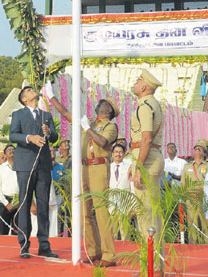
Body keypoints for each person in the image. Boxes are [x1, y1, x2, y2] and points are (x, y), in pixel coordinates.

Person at [47, 93, 120, 265]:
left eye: (102, 103)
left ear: (108, 110)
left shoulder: (110, 126)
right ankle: (94, 250)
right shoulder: (91, 123)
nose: (98, 104)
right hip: (83, 167)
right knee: (84, 212)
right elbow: (66, 113)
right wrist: (52, 97)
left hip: (99, 166)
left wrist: (87, 129)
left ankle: (109, 255)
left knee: (101, 211)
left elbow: (102, 142)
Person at [8, 86, 59, 258]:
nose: (32, 90)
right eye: (28, 90)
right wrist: (29, 138)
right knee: (25, 204)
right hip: (25, 165)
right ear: (24, 99)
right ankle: (24, 244)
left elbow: (54, 137)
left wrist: (49, 132)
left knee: (44, 205)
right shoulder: (18, 115)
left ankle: (44, 244)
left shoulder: (47, 116)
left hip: (43, 165)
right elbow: (13, 136)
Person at [129, 70, 165, 275]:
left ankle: (152, 267)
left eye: (138, 80)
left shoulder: (145, 106)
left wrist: (139, 168)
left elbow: (146, 139)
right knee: (150, 215)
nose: (135, 83)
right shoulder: (152, 104)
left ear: (144, 87)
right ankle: (152, 265)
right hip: (149, 157)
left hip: (148, 159)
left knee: (147, 217)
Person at [182, 142, 208, 243]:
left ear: (204, 153)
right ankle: (193, 248)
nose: (197, 150)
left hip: (205, 200)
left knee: (206, 227)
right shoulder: (187, 167)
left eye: (200, 149)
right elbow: (183, 185)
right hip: (191, 201)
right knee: (192, 226)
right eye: (195, 148)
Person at [108, 143, 132, 240]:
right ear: (112, 154)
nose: (118, 154)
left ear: (124, 153)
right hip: (111, 204)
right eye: (116, 152)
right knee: (112, 233)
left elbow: (132, 185)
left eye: (121, 152)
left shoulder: (129, 166)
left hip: (125, 204)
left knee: (125, 233)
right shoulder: (108, 167)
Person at [0, 145, 19, 236]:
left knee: (18, 231)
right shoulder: (1, 168)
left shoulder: (21, 167)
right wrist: (6, 203)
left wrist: (19, 201)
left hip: (19, 202)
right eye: (9, 150)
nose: (11, 151)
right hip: (5, 203)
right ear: (5, 154)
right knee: (3, 231)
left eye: (13, 149)